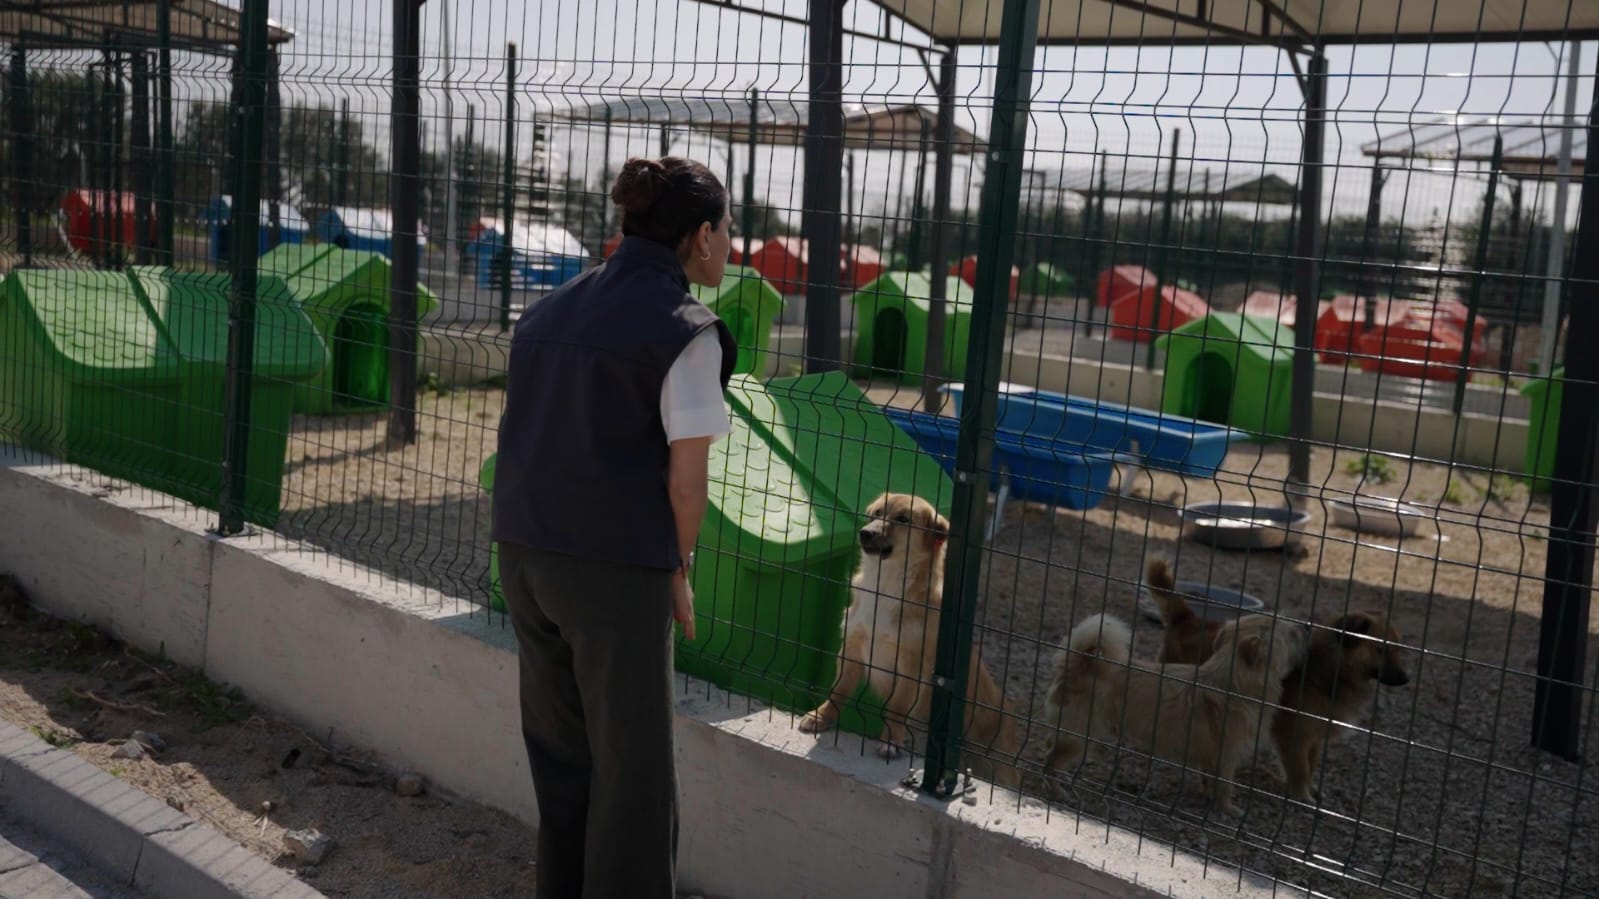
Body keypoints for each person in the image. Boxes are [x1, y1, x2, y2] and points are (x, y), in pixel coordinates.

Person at [490, 156, 737, 899]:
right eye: (728, 230)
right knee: (633, 780)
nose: (732, 244)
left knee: (563, 761)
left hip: (524, 554)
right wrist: (677, 564)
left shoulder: (550, 307)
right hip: (610, 572)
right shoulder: (684, 329)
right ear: (698, 237)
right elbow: (685, 482)